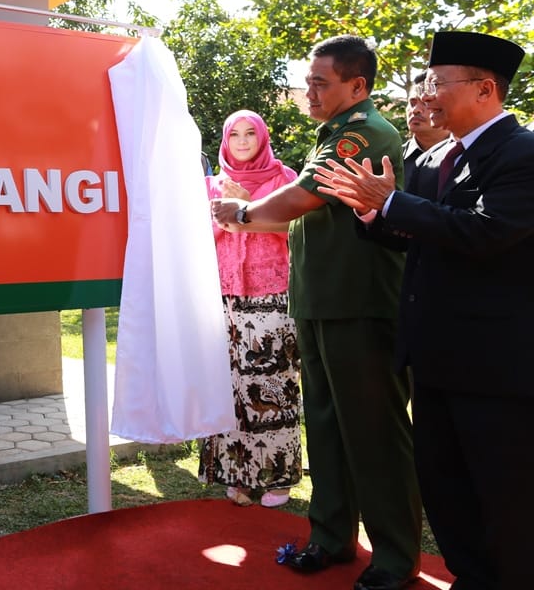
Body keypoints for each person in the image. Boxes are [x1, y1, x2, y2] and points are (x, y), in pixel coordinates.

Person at [314, 31, 533, 590]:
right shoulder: (439, 158)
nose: (427, 95)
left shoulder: (522, 153)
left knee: (504, 498)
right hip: (433, 357)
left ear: (485, 89)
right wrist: (374, 213)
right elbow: (423, 236)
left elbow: (485, 233)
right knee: (447, 490)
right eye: (426, 83)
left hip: (494, 368)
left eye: (438, 83)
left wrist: (391, 201)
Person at [211, 35, 421, 590]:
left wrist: (242, 212)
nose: (309, 92)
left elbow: (301, 198)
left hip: (358, 304)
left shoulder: (364, 133)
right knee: (327, 428)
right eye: (308, 81)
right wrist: (249, 216)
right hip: (320, 302)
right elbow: (304, 216)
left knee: (373, 434)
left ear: (358, 85)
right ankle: (330, 538)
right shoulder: (331, 134)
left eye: (320, 83)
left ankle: (396, 559)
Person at [198, 110, 301, 508]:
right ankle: (237, 474)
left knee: (272, 385)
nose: (242, 141)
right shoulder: (210, 185)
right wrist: (223, 211)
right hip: (222, 296)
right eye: (235, 135)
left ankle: (277, 478)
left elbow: (298, 229)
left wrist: (248, 204)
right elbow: (198, 237)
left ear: (262, 138)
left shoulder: (284, 180)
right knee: (228, 388)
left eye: (250, 134)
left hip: (271, 295)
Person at [402, 72, 450, 183]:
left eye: (425, 103)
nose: (415, 110)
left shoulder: (463, 156)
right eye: (412, 103)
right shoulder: (392, 159)